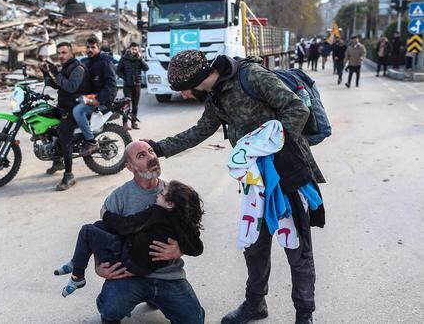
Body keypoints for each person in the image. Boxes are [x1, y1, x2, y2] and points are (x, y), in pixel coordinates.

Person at [143, 50, 325, 324]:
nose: (183, 96)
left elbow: (297, 107)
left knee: (296, 247)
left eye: (183, 90)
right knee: (255, 245)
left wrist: (270, 144)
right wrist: (158, 148)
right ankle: (255, 304)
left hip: (287, 171)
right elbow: (200, 130)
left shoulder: (251, 76)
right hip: (255, 181)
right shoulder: (216, 95)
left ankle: (304, 314)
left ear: (194, 82)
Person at [95, 141, 205, 324]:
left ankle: (156, 297)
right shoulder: (119, 197)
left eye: (151, 151)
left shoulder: (172, 194)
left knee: (194, 320)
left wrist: (179, 250)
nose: (151, 157)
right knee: (110, 309)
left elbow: (193, 236)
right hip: (129, 274)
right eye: (141, 156)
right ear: (130, 167)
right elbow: (100, 234)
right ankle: (123, 302)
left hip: (168, 275)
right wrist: (99, 267)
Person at [54, 179, 204, 297]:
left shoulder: (157, 212)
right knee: (99, 227)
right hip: (144, 261)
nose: (158, 194)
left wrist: (106, 214)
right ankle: (77, 260)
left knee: (87, 230)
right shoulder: (183, 222)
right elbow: (198, 247)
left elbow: (127, 225)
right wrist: (181, 248)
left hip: (130, 260)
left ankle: (77, 275)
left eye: (162, 193)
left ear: (170, 204)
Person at [39, 42, 90, 191]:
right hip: (64, 106)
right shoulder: (66, 67)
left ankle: (69, 175)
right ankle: (58, 160)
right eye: (59, 53)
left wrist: (56, 72)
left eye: (63, 53)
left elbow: (70, 87)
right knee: (50, 128)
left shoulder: (78, 68)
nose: (60, 56)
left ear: (71, 53)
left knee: (63, 135)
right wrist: (46, 73)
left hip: (75, 108)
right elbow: (57, 85)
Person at [73, 36, 117, 156]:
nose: (90, 50)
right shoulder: (85, 62)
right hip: (89, 95)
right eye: (88, 47)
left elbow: (112, 85)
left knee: (78, 111)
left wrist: (99, 99)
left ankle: (91, 141)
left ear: (98, 48)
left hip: (101, 97)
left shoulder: (105, 62)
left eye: (93, 47)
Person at [117, 42, 149, 130]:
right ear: (129, 49)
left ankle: (133, 123)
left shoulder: (139, 59)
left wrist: (140, 59)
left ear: (138, 50)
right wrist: (125, 78)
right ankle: (125, 123)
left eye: (136, 49)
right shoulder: (124, 59)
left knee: (135, 106)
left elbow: (146, 68)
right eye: (133, 49)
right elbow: (118, 71)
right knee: (126, 105)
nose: (134, 51)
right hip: (127, 86)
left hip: (137, 85)